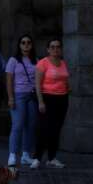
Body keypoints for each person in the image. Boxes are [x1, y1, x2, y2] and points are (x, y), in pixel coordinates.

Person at [33, 38, 70, 169]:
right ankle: (37, 158)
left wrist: (67, 90)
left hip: (62, 99)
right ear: (48, 49)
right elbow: (37, 84)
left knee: (56, 129)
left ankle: (52, 157)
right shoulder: (43, 63)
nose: (55, 49)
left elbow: (65, 79)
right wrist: (40, 101)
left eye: (58, 47)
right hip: (47, 98)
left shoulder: (63, 63)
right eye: (52, 47)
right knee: (43, 129)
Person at [5, 34, 37, 168]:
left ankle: (25, 155)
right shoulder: (13, 60)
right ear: (19, 45)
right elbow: (9, 80)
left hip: (32, 95)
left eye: (28, 42)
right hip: (18, 95)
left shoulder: (36, 60)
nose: (26, 45)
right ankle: (12, 154)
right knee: (17, 125)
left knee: (30, 126)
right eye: (23, 43)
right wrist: (10, 97)